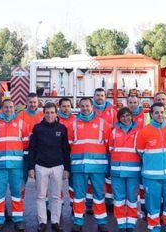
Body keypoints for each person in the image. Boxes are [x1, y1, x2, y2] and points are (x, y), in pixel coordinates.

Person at [0, 99, 31, 231]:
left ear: (14, 108)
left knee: (17, 193)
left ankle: (18, 220)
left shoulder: (22, 124)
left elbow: (26, 142)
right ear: (1, 108)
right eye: (6, 107)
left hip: (16, 165)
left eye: (11, 107)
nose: (9, 109)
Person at [137, 102, 166, 232]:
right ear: (151, 114)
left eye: (162, 112)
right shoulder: (144, 132)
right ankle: (154, 227)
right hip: (151, 176)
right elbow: (140, 151)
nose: (160, 115)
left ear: (165, 113)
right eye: (156, 112)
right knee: (152, 205)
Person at [68, 98, 111, 232]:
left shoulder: (103, 124)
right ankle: (78, 222)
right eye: (82, 106)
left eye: (87, 106)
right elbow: (69, 144)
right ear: (79, 107)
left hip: (97, 167)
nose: (85, 108)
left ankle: (101, 222)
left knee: (98, 195)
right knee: (79, 196)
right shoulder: (73, 124)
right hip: (79, 166)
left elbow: (108, 144)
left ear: (92, 106)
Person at [28, 102, 71, 232]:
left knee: (56, 196)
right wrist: (31, 167)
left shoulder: (62, 128)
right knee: (41, 196)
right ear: (43, 113)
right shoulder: (37, 128)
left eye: (52, 112)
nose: (50, 115)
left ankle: (55, 222)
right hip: (41, 166)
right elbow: (32, 149)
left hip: (58, 167)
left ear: (56, 114)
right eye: (47, 112)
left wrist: (67, 169)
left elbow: (66, 150)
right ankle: (42, 222)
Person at [108, 107, 141, 232]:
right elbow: (110, 150)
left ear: (132, 117)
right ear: (119, 119)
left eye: (128, 115)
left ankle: (131, 224)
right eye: (122, 116)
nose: (125, 118)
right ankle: (121, 224)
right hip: (117, 172)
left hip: (133, 172)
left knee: (132, 199)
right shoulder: (114, 132)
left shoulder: (139, 132)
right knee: (119, 199)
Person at [21, 93, 44, 188]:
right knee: (21, 180)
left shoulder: (43, 114)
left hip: (39, 152)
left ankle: (44, 201)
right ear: (26, 102)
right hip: (25, 152)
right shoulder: (21, 115)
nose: (33, 104)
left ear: (38, 102)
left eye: (35, 102)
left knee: (41, 181)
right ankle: (19, 201)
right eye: (30, 102)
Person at [57, 97, 76, 204]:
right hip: (58, 154)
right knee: (58, 182)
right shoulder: (55, 119)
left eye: (68, 106)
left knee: (73, 181)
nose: (66, 108)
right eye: (63, 106)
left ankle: (74, 204)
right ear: (59, 107)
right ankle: (59, 204)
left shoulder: (76, 120)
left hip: (72, 154)